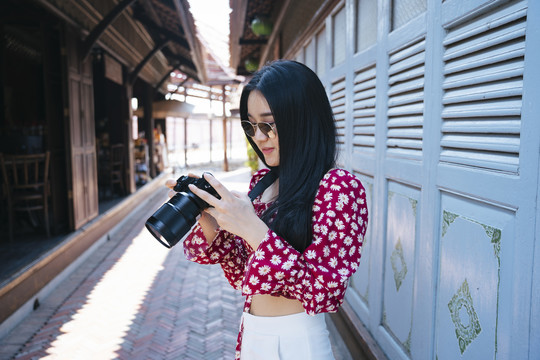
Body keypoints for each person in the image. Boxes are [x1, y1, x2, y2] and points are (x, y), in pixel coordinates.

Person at [171, 60, 368, 359]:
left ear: (302, 119)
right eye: (250, 125)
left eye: (268, 124)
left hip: (297, 342)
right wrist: (209, 214)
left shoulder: (339, 188)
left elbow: (323, 292)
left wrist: (251, 227)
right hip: (252, 333)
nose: (258, 137)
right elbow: (243, 277)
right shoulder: (263, 184)